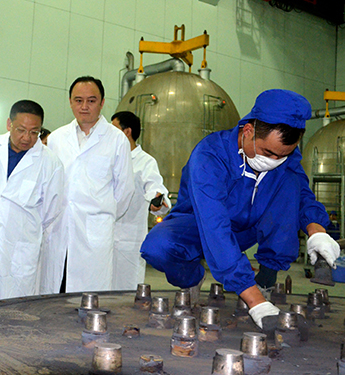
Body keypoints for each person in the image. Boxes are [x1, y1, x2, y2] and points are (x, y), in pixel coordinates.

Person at [141, 89, 338, 330]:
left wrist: (317, 232)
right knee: (157, 247)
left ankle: (266, 278)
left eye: (283, 155)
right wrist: (255, 302)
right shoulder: (210, 156)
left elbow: (302, 195)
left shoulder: (284, 157)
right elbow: (215, 226)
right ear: (248, 131)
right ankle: (193, 278)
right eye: (268, 153)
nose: (274, 161)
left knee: (290, 181)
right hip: (201, 226)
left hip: (250, 227)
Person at [0, 100, 65, 306]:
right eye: (21, 130)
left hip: (19, 253)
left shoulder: (51, 163)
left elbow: (50, 212)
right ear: (9, 124)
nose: (27, 138)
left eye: (34, 132)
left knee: (11, 312)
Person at [45, 76, 135, 293]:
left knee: (89, 296)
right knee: (55, 292)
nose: (84, 106)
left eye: (91, 101)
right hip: (58, 229)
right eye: (78, 100)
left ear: (102, 103)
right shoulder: (56, 138)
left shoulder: (117, 140)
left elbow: (124, 191)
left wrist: (101, 216)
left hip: (94, 232)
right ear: (70, 102)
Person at [111, 111, 171, 290]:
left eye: (114, 129)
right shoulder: (109, 158)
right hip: (103, 235)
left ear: (127, 131)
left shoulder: (145, 162)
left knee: (125, 289)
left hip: (128, 238)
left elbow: (155, 188)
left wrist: (156, 200)